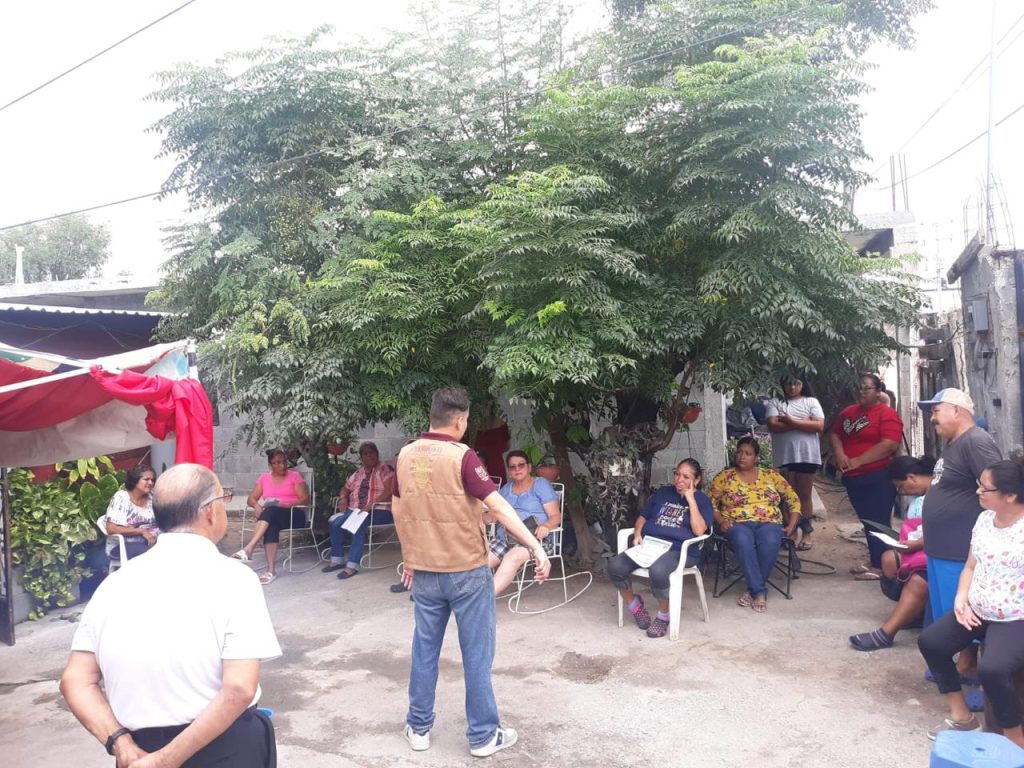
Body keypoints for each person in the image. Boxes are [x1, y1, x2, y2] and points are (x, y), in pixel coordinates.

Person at [60, 463, 281, 767]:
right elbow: (240, 687)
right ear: (210, 511)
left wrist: (122, 744)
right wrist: (163, 761)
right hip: (224, 749)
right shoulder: (234, 579)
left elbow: (75, 680)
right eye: (223, 498)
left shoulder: (113, 585)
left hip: (137, 752)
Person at [393, 387, 550, 758]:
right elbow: (500, 508)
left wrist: (410, 556)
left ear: (432, 416)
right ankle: (482, 736)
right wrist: (535, 546)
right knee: (477, 655)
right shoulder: (462, 457)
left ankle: (418, 727)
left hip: (425, 571)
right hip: (466, 571)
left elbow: (399, 510)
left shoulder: (405, 455)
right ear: (460, 421)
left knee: (424, 649)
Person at [917, 456, 1024, 747]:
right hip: (977, 608)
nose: (978, 491)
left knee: (993, 669)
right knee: (932, 643)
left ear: (1010, 495)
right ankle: (962, 716)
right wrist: (961, 598)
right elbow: (970, 566)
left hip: (1015, 616)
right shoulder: (984, 520)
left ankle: (1015, 739)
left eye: (985, 488)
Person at [917, 388, 1001, 678]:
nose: (932, 418)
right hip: (942, 548)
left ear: (957, 410)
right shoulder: (955, 443)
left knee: (965, 613)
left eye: (936, 410)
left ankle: (969, 669)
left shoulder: (976, 441)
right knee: (949, 611)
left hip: (959, 549)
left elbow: (998, 490)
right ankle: (959, 664)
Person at [607, 458, 714, 638]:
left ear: (696, 480)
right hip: (651, 546)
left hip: (680, 550)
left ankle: (664, 615)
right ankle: (634, 605)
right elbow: (643, 517)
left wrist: (690, 499)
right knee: (615, 566)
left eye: (686, 477)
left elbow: (699, 531)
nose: (679, 479)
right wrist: (638, 533)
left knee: (658, 570)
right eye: (677, 474)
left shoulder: (702, 501)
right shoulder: (663, 493)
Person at [849, 455, 935, 651]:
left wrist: (916, 544)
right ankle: (914, 613)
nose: (901, 492)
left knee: (918, 580)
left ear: (911, 478)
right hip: (928, 547)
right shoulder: (924, 496)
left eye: (901, 487)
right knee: (889, 560)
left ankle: (886, 634)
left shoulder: (940, 494)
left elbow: (947, 530)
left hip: (944, 550)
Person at [709, 436, 801, 614]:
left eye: (748, 453)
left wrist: (792, 525)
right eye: (739, 452)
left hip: (769, 522)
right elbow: (710, 503)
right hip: (737, 523)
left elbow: (793, 499)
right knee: (743, 540)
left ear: (756, 457)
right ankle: (759, 592)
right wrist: (720, 521)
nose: (742, 456)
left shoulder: (770, 475)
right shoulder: (725, 477)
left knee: (770, 540)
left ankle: (753, 590)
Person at [830, 373, 903, 579]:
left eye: (866, 388)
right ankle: (875, 561)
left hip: (879, 476)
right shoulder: (848, 412)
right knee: (867, 521)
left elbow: (889, 444)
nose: (861, 392)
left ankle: (883, 566)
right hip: (854, 478)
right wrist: (840, 455)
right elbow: (835, 434)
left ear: (878, 391)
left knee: (879, 521)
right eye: (859, 388)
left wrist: (859, 460)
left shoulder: (886, 414)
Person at [487, 450, 561, 595]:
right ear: (509, 471)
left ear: (529, 467)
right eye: (512, 467)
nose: (517, 469)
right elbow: (493, 517)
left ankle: (485, 599)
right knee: (480, 560)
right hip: (506, 539)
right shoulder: (505, 490)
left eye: (521, 465)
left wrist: (546, 526)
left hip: (537, 540)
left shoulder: (540, 484)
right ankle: (466, 597)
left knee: (512, 557)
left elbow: (555, 516)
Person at [233, 449, 310, 585]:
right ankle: (270, 571)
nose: (282, 465)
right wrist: (256, 506)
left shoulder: (294, 476)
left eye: (284, 462)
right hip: (273, 517)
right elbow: (251, 498)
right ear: (270, 465)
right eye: (277, 463)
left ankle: (249, 549)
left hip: (294, 514)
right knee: (271, 524)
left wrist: (285, 504)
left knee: (271, 511)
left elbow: (305, 499)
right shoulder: (264, 478)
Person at [766, 373, 824, 551]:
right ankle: (790, 532)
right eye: (788, 383)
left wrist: (789, 421)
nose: (792, 387)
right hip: (784, 457)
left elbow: (819, 426)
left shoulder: (811, 402)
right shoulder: (775, 402)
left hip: (807, 455)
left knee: (804, 495)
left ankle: (806, 533)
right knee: (786, 496)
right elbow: (773, 425)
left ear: (803, 383)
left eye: (796, 383)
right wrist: (803, 422)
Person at [323, 442, 395, 579]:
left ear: (377, 454)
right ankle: (337, 559)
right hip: (356, 510)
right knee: (335, 523)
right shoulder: (358, 473)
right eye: (366, 454)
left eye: (372, 453)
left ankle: (352, 565)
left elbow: (389, 490)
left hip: (379, 509)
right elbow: (345, 488)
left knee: (359, 523)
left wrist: (371, 505)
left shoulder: (384, 469)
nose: (370, 456)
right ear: (361, 457)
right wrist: (343, 498)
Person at [104, 465, 159, 562]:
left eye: (152, 480)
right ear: (134, 481)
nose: (151, 483)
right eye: (146, 479)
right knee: (156, 554)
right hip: (124, 545)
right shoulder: (122, 498)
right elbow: (111, 529)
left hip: (153, 540)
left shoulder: (152, 496)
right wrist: (141, 531)